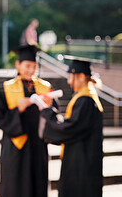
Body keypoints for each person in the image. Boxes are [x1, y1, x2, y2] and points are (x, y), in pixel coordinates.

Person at [0, 45, 57, 197]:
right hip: (16, 146)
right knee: (15, 187)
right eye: (27, 66)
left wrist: (48, 108)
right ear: (18, 65)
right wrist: (18, 109)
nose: (30, 70)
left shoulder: (45, 87)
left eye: (34, 66)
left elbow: (54, 115)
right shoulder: (7, 88)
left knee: (38, 185)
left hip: (38, 146)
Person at [39, 55, 103, 197]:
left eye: (70, 76)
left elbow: (70, 129)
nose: (68, 82)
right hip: (84, 159)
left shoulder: (85, 100)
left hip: (80, 164)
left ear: (80, 76)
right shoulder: (88, 97)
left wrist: (48, 112)